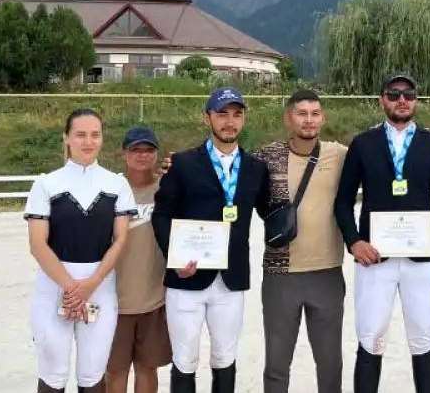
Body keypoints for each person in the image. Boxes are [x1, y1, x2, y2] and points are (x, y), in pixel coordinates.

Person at [334, 74, 430, 393]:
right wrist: (354, 241)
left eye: (408, 94)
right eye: (394, 94)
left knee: (423, 338)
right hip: (375, 258)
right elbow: (342, 201)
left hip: (422, 260)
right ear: (382, 100)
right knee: (371, 337)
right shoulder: (363, 144)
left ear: (416, 100)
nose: (401, 100)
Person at [152, 87, 271, 393]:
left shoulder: (256, 169)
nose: (229, 122)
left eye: (237, 114)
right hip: (186, 279)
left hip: (230, 281)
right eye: (222, 114)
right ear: (207, 118)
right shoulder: (182, 163)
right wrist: (175, 258)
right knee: (185, 359)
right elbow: (161, 215)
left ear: (243, 119)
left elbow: (270, 211)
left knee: (224, 356)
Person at [25, 108, 137, 392]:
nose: (88, 142)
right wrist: (70, 287)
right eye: (80, 135)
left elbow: (120, 240)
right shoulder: (46, 184)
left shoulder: (117, 184)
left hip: (99, 285)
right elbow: (38, 244)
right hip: (53, 288)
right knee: (54, 372)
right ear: (67, 138)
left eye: (95, 135)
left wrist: (91, 285)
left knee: (92, 373)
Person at [255, 89, 349, 393]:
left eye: (315, 113)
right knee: (277, 364)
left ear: (322, 118)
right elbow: (226, 175)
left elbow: (379, 161)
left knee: (330, 362)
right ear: (288, 117)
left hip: (327, 272)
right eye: (301, 113)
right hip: (281, 273)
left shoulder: (339, 154)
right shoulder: (266, 157)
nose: (308, 120)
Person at [105, 126, 172, 393]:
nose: (142, 156)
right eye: (136, 150)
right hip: (114, 299)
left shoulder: (167, 189)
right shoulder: (111, 190)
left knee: (147, 367)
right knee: (115, 370)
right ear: (124, 153)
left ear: (157, 154)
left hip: (154, 297)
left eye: (148, 150)